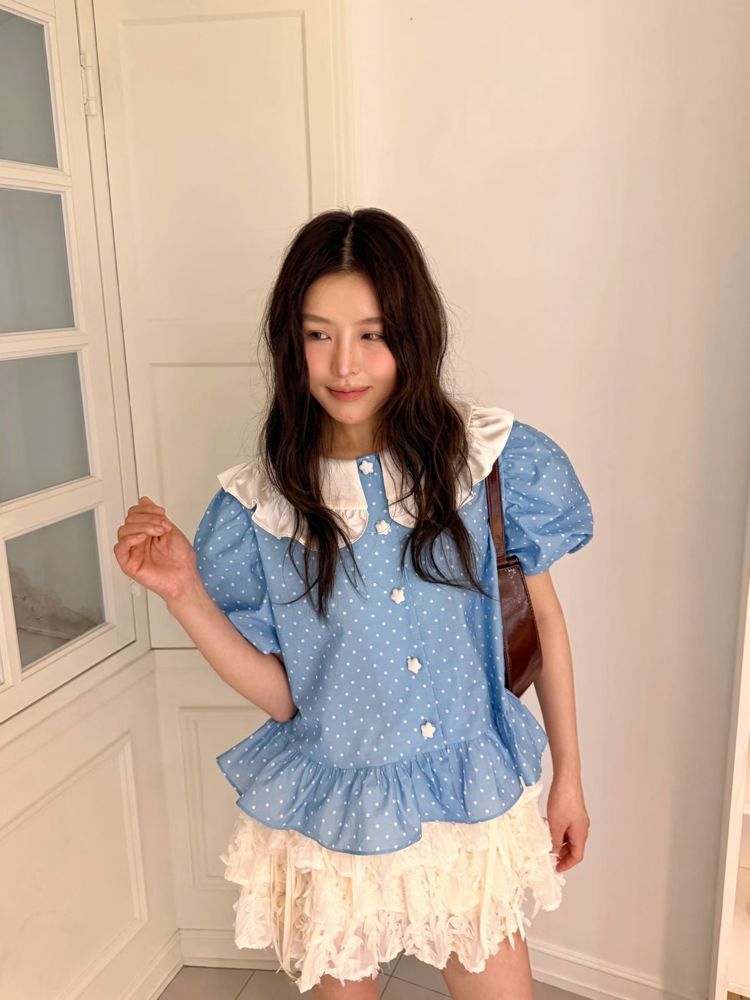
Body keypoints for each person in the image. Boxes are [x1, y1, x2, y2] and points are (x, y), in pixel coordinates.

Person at [113, 207, 594, 999]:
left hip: (469, 802)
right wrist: (184, 594)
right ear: (290, 341)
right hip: (338, 815)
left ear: (412, 334)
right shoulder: (260, 509)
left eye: (372, 334)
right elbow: (287, 699)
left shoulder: (485, 461)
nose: (345, 364)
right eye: (319, 334)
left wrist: (569, 775)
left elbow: (544, 621)